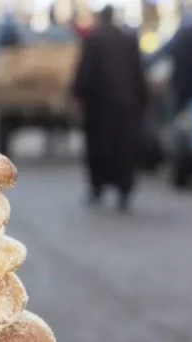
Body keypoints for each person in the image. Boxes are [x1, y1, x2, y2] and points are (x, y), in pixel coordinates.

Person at [72, 6, 147, 211]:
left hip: (99, 107)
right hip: (125, 106)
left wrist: (79, 96)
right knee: (124, 149)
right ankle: (124, 190)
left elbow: (84, 74)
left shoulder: (93, 39)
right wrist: (143, 100)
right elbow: (138, 74)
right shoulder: (128, 40)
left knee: (98, 148)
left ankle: (98, 188)